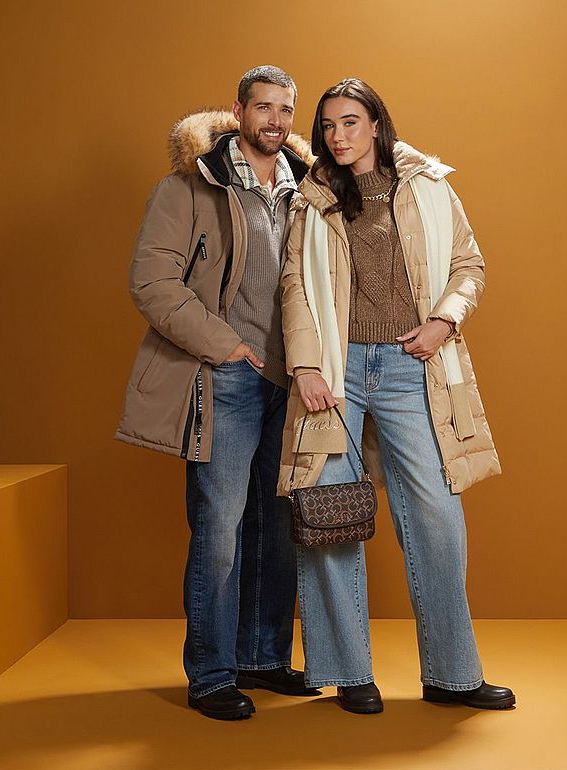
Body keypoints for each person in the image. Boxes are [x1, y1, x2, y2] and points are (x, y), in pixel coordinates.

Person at [278, 78, 515, 714]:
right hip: (337, 367)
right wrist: (304, 366)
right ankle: (347, 671)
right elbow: (296, 286)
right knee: (330, 511)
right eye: (327, 125)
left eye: (350, 122)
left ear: (378, 124)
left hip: (414, 365)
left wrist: (444, 320)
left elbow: (470, 264)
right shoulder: (313, 197)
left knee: (436, 516)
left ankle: (453, 676)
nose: (337, 136)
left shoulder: (429, 185)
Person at [116, 65, 319, 720]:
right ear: (239, 111)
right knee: (220, 532)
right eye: (264, 108)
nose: (277, 122)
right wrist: (224, 344)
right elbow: (152, 282)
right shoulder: (189, 187)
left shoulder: (305, 190)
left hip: (289, 379)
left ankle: (264, 657)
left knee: (277, 529)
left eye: (286, 110)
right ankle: (211, 675)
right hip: (225, 376)